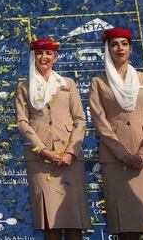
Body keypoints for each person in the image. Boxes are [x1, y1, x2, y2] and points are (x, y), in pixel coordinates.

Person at [88, 29, 143, 240]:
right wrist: (123, 154)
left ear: (131, 49)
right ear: (107, 50)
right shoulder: (98, 83)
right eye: (114, 44)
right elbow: (101, 123)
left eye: (124, 44)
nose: (120, 48)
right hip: (116, 162)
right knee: (127, 230)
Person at [15, 37, 90, 240]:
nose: (44, 57)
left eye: (48, 53)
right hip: (41, 161)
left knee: (75, 221)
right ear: (33, 57)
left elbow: (80, 120)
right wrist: (43, 150)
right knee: (50, 223)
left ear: (55, 57)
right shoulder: (24, 87)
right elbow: (23, 123)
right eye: (39, 53)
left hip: (69, 159)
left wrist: (70, 152)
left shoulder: (67, 84)